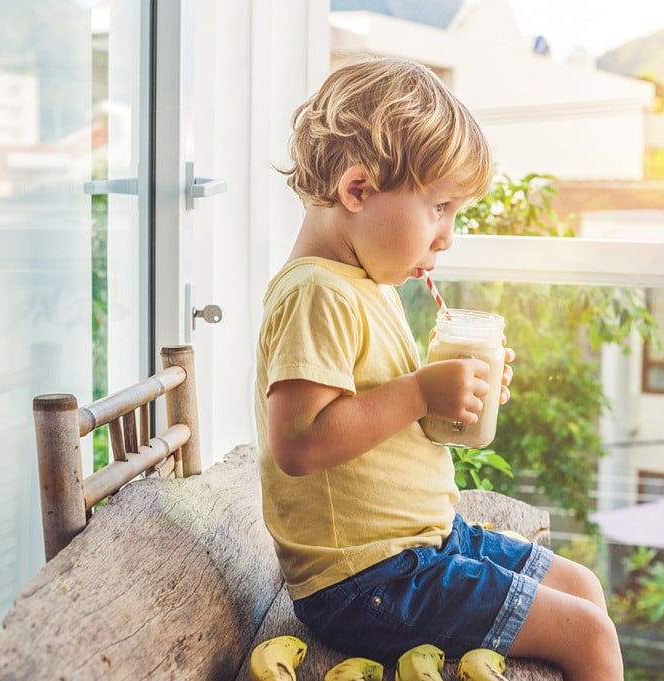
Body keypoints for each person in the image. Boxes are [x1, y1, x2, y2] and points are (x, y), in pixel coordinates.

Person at [255, 56, 623, 681]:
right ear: (358, 190)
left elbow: (379, 423)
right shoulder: (318, 293)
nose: (447, 236)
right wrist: (420, 391)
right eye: (440, 208)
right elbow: (298, 442)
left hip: (423, 543)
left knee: (582, 586)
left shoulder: (366, 285)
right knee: (587, 635)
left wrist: (449, 396)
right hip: (367, 579)